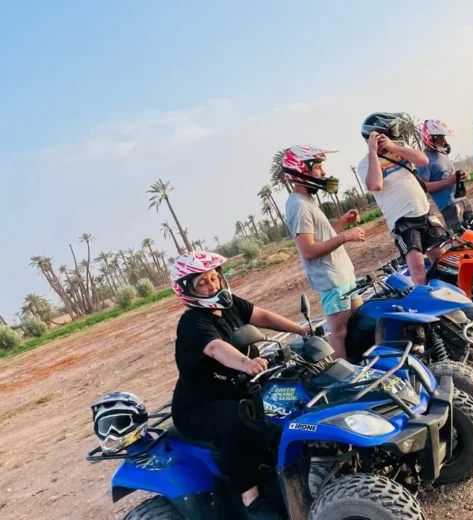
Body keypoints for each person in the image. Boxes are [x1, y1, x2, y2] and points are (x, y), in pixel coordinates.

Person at [170, 251, 307, 520]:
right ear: (188, 290)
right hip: (199, 405)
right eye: (202, 283)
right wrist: (246, 363)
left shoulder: (229, 304)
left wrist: (301, 330)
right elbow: (215, 347)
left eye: (213, 278)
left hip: (235, 389)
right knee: (235, 422)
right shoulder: (193, 322)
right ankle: (251, 500)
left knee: (288, 398)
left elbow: (262, 316)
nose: (212, 285)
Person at [283, 145, 364, 359]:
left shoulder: (306, 202)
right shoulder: (298, 206)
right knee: (338, 334)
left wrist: (341, 224)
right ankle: (344, 383)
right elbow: (308, 250)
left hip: (343, 277)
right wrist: (345, 237)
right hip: (332, 282)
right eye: (318, 167)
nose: (324, 173)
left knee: (360, 323)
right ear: (303, 171)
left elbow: (320, 236)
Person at [356, 112, 447, 286]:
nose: (395, 133)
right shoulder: (366, 163)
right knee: (418, 269)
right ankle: (425, 307)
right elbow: (375, 185)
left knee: (442, 260)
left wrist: (393, 147)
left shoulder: (400, 148)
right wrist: (373, 152)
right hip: (403, 221)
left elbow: (423, 161)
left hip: (424, 212)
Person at [416, 119, 472, 231]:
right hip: (449, 206)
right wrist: (448, 181)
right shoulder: (424, 160)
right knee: (463, 239)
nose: (444, 140)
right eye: (441, 137)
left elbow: (447, 174)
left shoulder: (442, 153)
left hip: (462, 200)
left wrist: (460, 175)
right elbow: (425, 187)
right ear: (431, 138)